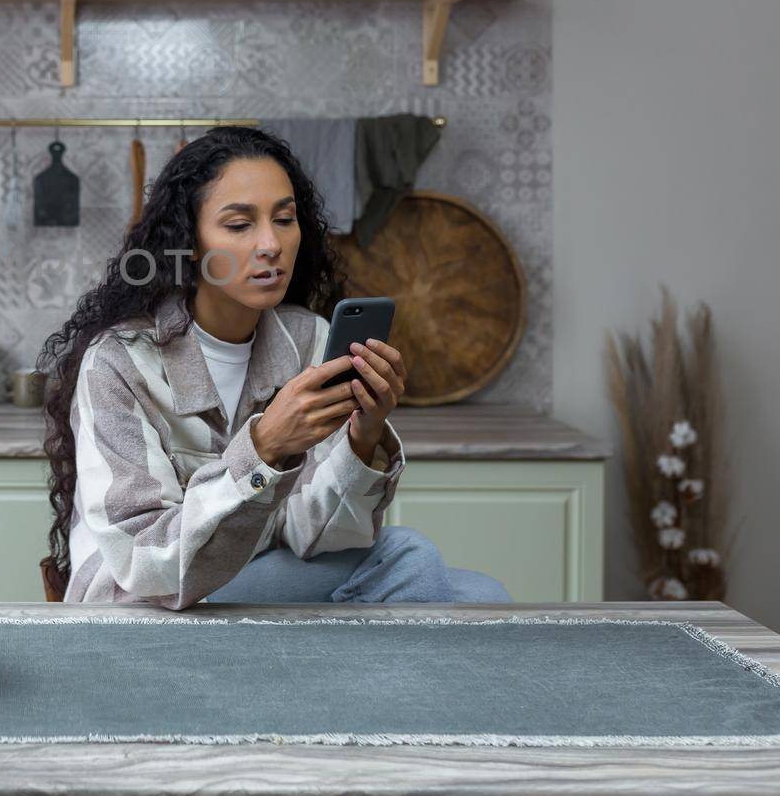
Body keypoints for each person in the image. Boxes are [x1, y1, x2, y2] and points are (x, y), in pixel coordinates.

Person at [37, 126, 510, 608]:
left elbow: (314, 535)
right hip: (139, 604)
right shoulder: (120, 361)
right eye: (239, 225)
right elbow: (146, 562)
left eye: (284, 219)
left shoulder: (308, 340)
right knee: (407, 556)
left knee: (485, 597)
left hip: (252, 574)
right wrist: (263, 450)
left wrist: (361, 440)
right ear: (191, 241)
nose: (271, 243)